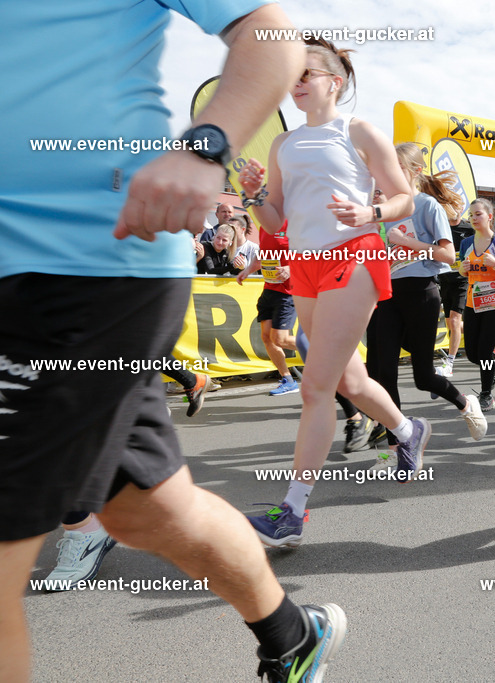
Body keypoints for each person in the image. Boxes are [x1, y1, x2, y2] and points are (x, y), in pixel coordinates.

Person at [0, 4, 353, 683]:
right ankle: (290, 635)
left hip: (85, 265)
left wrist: (205, 146)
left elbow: (273, 34)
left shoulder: (340, 136)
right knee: (150, 511)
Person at [239, 40, 429, 549]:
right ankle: (408, 431)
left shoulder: (358, 129)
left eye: (308, 73)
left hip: (355, 255)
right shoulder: (283, 144)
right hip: (303, 265)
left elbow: (404, 198)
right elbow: (275, 220)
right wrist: (255, 193)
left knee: (314, 387)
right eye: (292, 75)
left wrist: (371, 214)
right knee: (348, 379)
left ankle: (292, 513)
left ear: (335, 81)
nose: (297, 81)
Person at [365, 143, 486, 446]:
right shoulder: (383, 210)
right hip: (388, 296)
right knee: (383, 373)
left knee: (423, 378)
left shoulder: (427, 205)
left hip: (421, 293)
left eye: (398, 168)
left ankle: (466, 403)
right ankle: (398, 448)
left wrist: (407, 241)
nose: (389, 176)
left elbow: (447, 255)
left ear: (415, 171)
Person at [458, 199, 495, 411]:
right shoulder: (466, 243)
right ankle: (493, 364)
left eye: (478, 214)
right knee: (473, 353)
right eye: (471, 215)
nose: (474, 218)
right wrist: (463, 269)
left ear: (489, 217)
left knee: (484, 350)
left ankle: (486, 394)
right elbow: (461, 270)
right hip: (472, 302)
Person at [236, 221, 300, 396]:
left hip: (289, 291)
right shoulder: (265, 227)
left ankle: (323, 348)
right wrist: (248, 270)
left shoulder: (294, 224)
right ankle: (288, 380)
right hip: (270, 290)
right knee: (267, 338)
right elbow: (263, 255)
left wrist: (290, 268)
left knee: (280, 338)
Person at [437, 213, 474, 377]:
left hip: (462, 280)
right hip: (445, 280)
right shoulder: (441, 228)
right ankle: (478, 332)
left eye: (456, 208)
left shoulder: (469, 229)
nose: (452, 211)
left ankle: (449, 363)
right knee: (452, 324)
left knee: (454, 319)